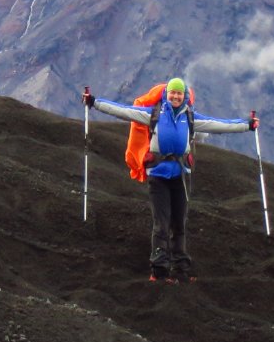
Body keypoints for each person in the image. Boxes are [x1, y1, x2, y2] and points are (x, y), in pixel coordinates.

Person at [83, 78, 257, 282]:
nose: (175, 96)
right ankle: (159, 271)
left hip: (181, 176)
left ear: (184, 96)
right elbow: (123, 111)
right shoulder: (154, 114)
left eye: (179, 93)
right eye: (172, 93)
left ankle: (181, 270)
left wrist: (248, 125)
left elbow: (221, 125)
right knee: (162, 224)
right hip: (158, 176)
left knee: (179, 224)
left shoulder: (191, 117)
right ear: (166, 94)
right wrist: (94, 102)